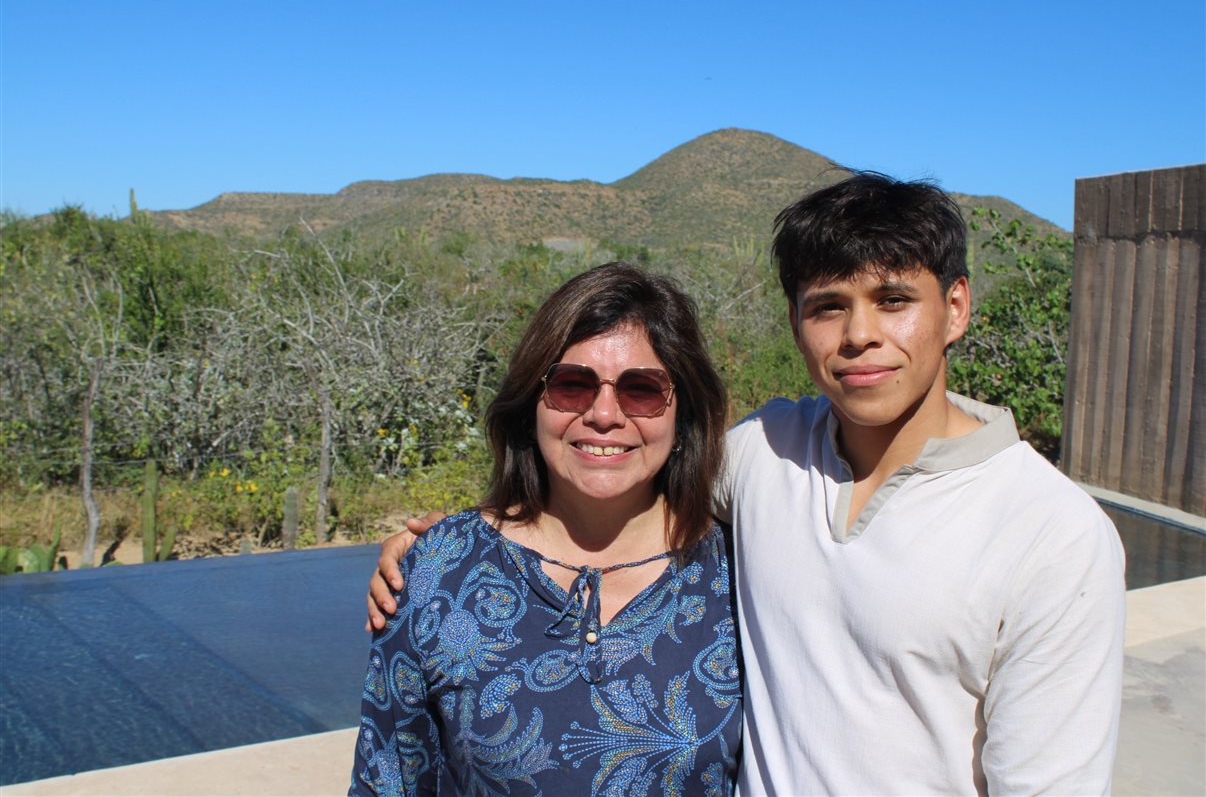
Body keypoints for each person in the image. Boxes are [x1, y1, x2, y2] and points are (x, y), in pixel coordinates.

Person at [368, 172, 1126, 795]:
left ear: (955, 307)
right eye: (828, 307)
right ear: (796, 323)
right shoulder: (767, 456)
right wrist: (448, 540)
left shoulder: (1051, 534)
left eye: (893, 300)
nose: (859, 334)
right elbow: (609, 465)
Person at [350, 263, 740, 795]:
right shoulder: (440, 572)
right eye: (572, 385)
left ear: (684, 411)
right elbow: (389, 777)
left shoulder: (740, 576)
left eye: (642, 390)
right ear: (531, 402)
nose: (605, 415)